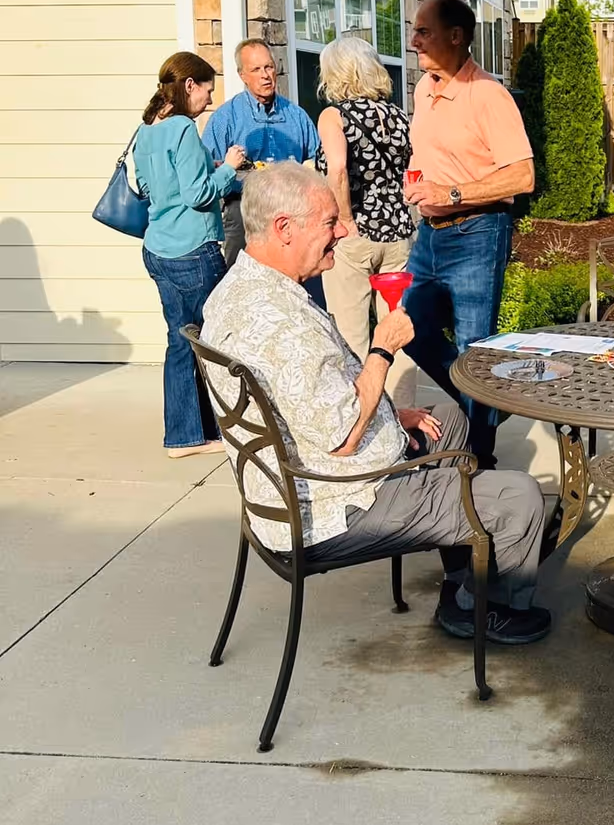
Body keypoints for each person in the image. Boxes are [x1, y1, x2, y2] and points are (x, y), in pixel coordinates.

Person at [200, 162, 551, 645]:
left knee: (445, 419)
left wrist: (389, 414)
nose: (343, 232)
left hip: (286, 485)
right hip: (332, 504)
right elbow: (343, 438)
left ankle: (460, 583)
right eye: (329, 222)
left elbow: (305, 400)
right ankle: (484, 609)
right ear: (284, 229)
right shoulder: (280, 324)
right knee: (519, 497)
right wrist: (383, 349)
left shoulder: (239, 290)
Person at [403, 0, 534, 468]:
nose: (413, 39)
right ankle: (479, 405)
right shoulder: (424, 89)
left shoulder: (488, 96)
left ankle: (481, 458)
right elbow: (429, 153)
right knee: (410, 329)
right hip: (430, 236)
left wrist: (453, 192)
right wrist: (417, 180)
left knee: (474, 348)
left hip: (477, 232)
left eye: (423, 32)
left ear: (456, 38)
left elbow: (522, 177)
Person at [133, 52, 245, 458]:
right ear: (188, 86)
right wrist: (229, 167)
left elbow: (148, 186)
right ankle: (217, 431)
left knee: (179, 342)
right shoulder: (182, 127)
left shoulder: (147, 128)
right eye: (207, 90)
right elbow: (198, 195)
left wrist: (203, 167)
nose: (210, 100)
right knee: (213, 343)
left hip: (158, 248)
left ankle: (182, 437)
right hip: (192, 251)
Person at [315, 36, 418, 408]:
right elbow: (413, 169)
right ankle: (406, 414)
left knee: (352, 334)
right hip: (399, 234)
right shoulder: (397, 115)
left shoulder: (334, 116)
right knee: (399, 329)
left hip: (355, 235)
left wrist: (344, 219)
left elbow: (338, 169)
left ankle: (366, 419)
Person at [200, 37, 320, 273]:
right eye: (256, 69)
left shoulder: (297, 117)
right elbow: (208, 168)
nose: (265, 75)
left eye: (269, 67)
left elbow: (318, 161)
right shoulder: (226, 119)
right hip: (243, 209)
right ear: (242, 75)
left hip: (292, 211)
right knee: (240, 279)